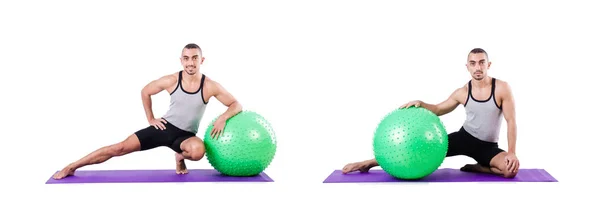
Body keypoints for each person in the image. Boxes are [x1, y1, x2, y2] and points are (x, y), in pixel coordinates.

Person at [52, 43, 242, 179]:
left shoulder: (210, 86)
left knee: (198, 151)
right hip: (164, 128)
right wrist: (151, 118)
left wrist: (223, 118)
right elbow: (145, 91)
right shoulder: (172, 80)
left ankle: (179, 157)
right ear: (181, 60)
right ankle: (72, 166)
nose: (190, 63)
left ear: (202, 60)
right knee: (119, 148)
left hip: (185, 137)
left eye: (194, 58)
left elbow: (236, 104)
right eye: (186, 58)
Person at [342, 48, 520, 178]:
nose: (478, 67)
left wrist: (511, 152)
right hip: (464, 138)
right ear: (467, 67)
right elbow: (439, 109)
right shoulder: (463, 92)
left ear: (488, 64)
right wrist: (421, 103)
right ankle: (367, 163)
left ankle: (481, 168)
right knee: (411, 149)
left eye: (482, 62)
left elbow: (511, 121)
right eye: (473, 63)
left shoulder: (502, 88)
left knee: (510, 170)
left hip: (487, 146)